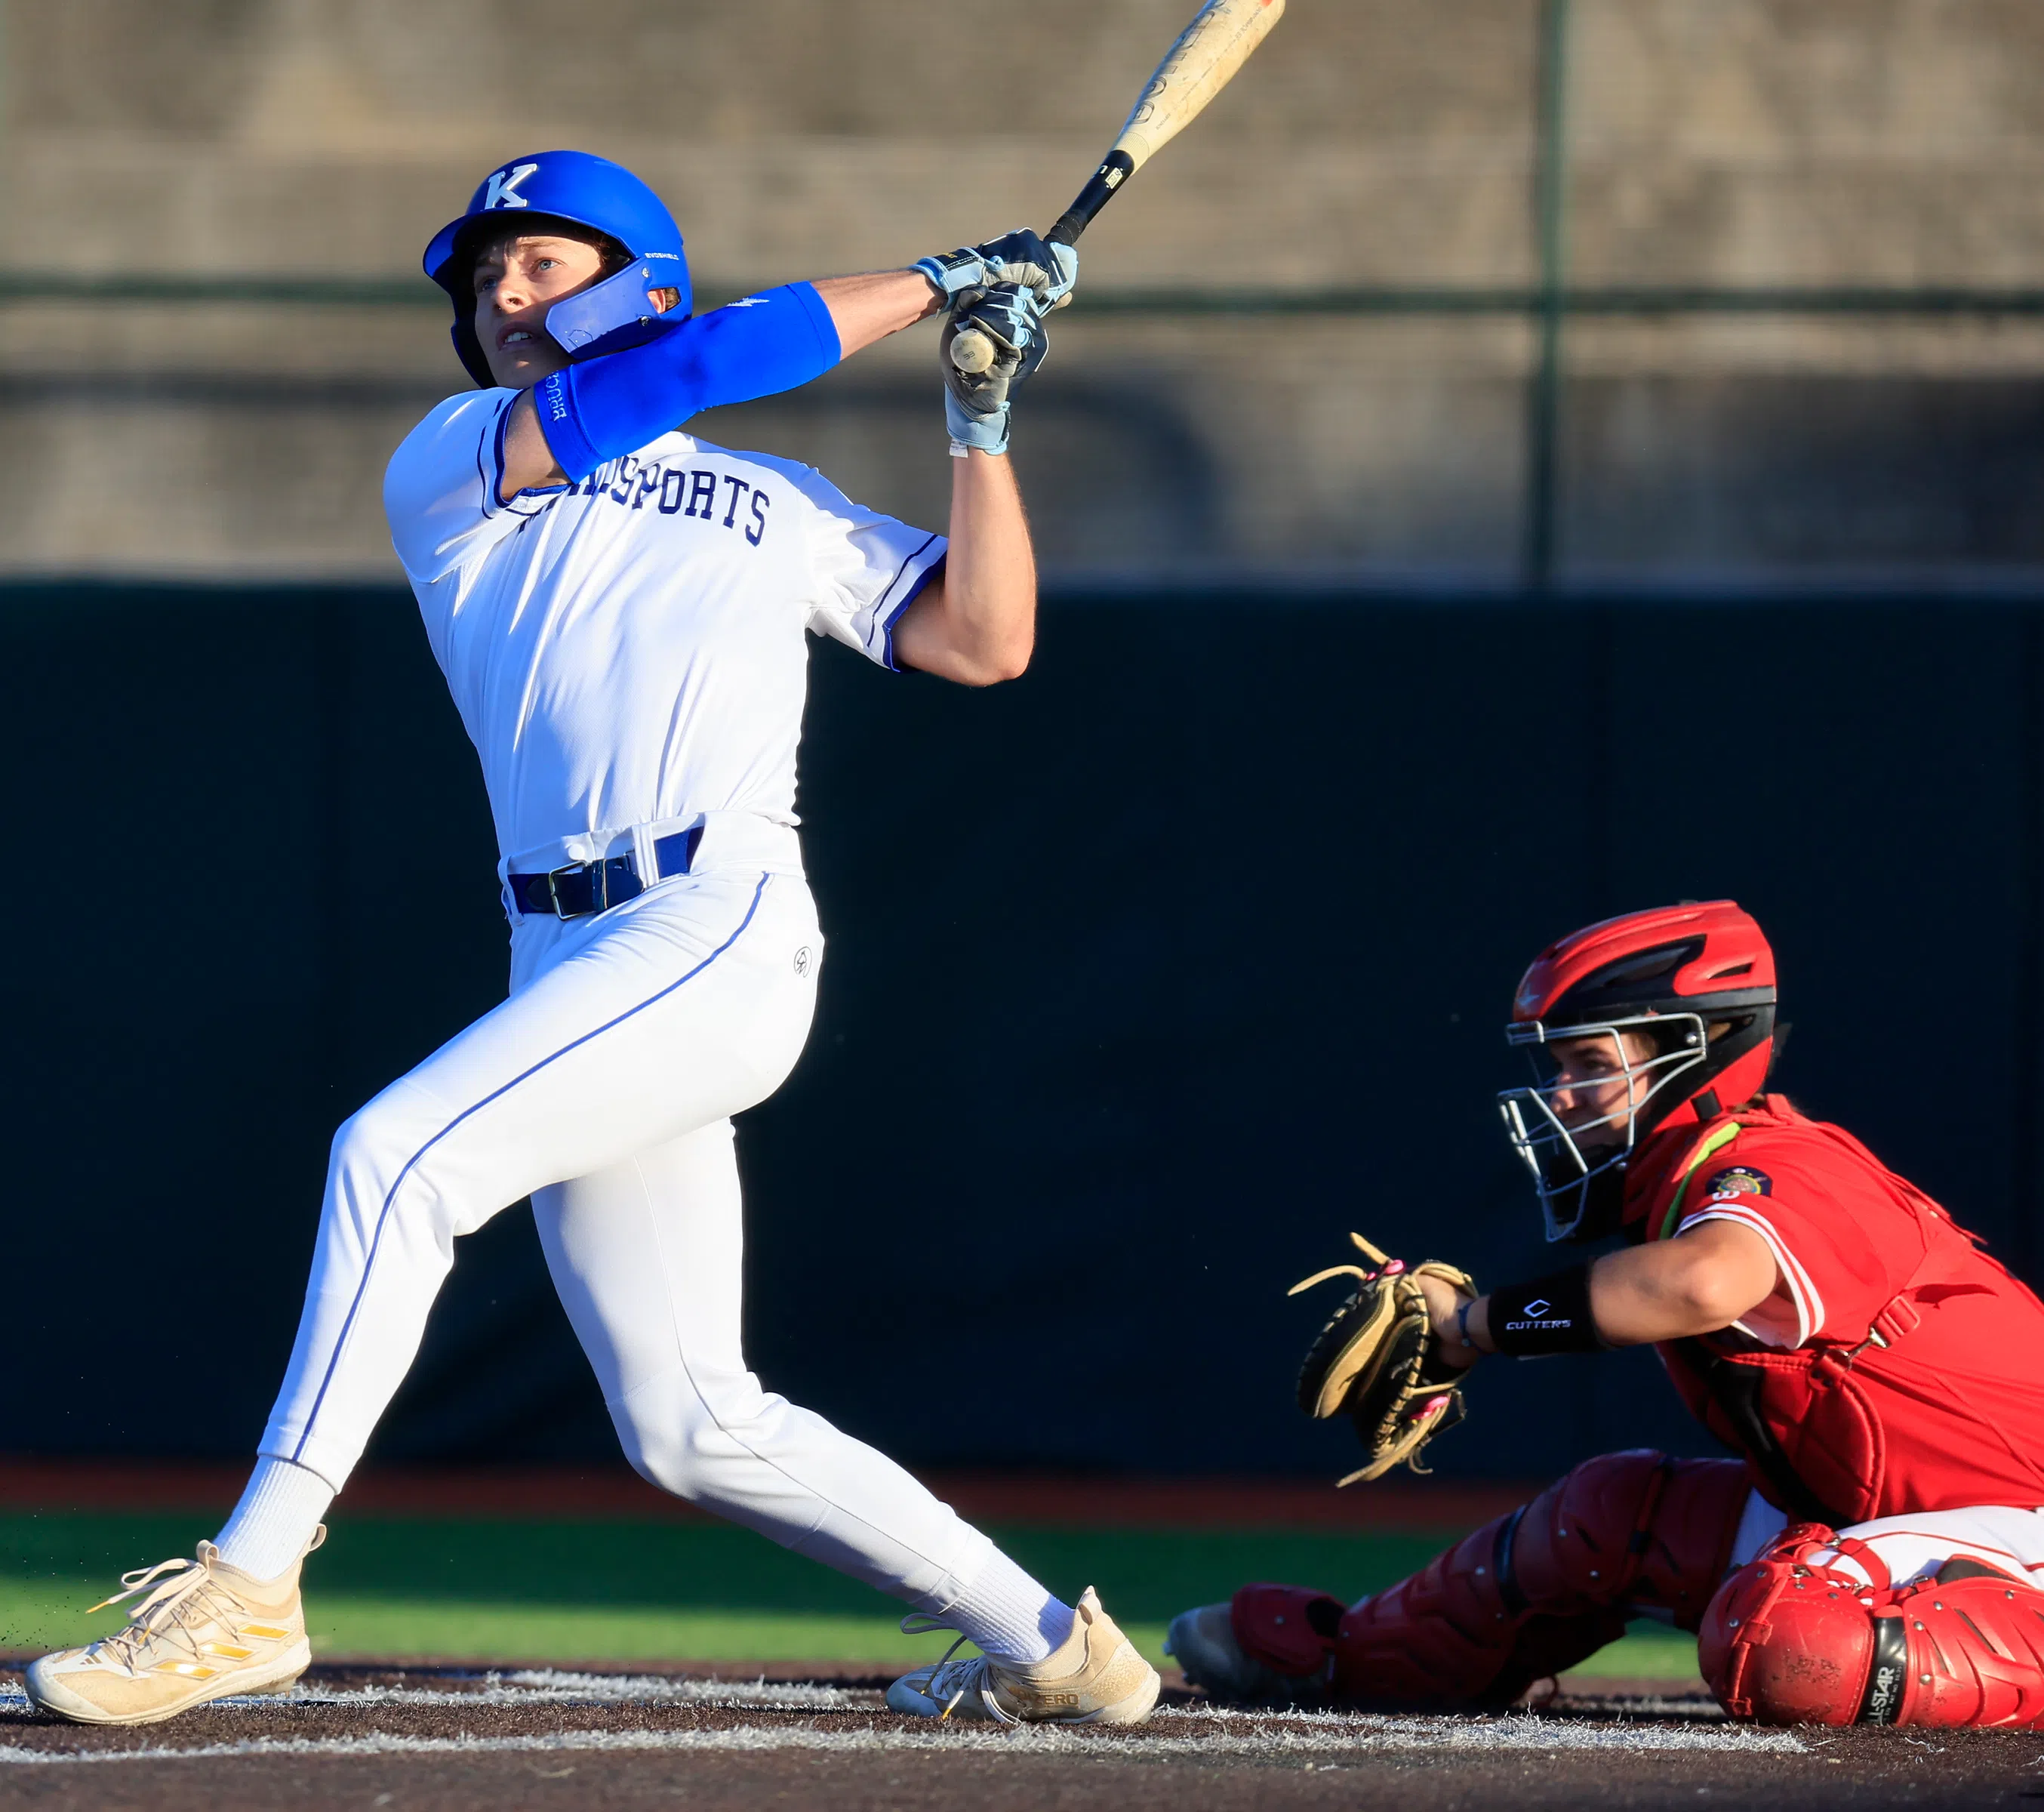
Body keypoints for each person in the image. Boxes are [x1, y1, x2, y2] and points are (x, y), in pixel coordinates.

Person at [27, 149, 1159, 1731]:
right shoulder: (454, 457)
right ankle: (1053, 1642)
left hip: (717, 918)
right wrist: (937, 280)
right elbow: (709, 364)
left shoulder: (772, 502)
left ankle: (250, 1586)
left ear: (638, 280)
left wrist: (979, 421)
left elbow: (985, 640)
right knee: (691, 1421)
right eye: (483, 274)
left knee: (394, 1156)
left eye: (540, 264)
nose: (500, 293)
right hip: (565, 953)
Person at [1168, 899, 2044, 1728]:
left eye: (1589, 1066)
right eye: (1558, 1069)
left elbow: (1704, 1284)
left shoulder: (1777, 1161)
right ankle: (1359, 1657)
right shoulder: (1691, 1178)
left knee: (1793, 1643)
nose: (1559, 1095)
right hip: (1897, 1513)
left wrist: (1470, 1326)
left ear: (1696, 1051)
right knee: (1603, 1516)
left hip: (2016, 1516)